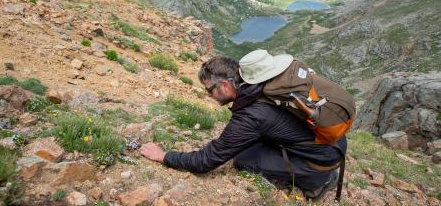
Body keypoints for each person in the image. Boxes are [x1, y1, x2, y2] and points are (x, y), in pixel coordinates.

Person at [140, 50, 346, 200]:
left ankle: (318, 182)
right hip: (333, 140)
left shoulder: (252, 114)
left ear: (226, 85)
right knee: (249, 144)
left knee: (243, 159)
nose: (209, 96)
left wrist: (163, 156)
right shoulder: (263, 85)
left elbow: (206, 161)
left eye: (209, 90)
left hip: (323, 157)